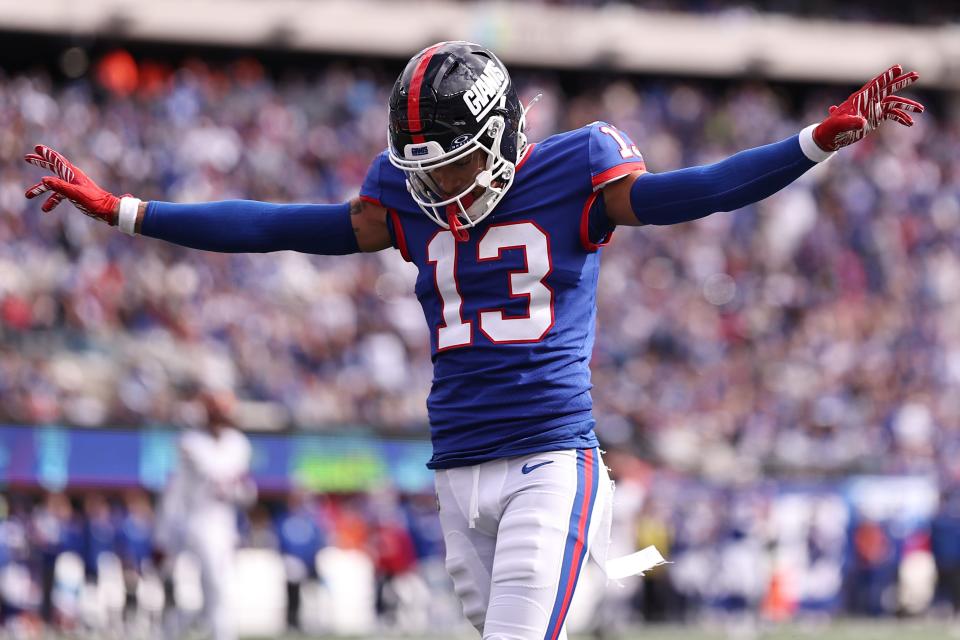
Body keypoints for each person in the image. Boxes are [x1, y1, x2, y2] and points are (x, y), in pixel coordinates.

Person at [23, 42, 923, 639]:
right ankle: (620, 566)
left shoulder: (579, 167)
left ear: (498, 136)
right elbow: (275, 224)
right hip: (456, 473)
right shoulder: (403, 199)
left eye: (452, 161)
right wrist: (127, 211)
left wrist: (812, 142)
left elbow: (698, 189)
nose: (440, 186)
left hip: (549, 462)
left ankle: (626, 558)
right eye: (423, 169)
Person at [153, 388, 255, 640]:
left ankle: (171, 628)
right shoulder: (191, 443)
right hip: (197, 520)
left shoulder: (238, 443)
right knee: (217, 585)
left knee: (219, 592)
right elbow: (206, 477)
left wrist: (242, 492)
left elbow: (240, 489)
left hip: (226, 521)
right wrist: (163, 535)